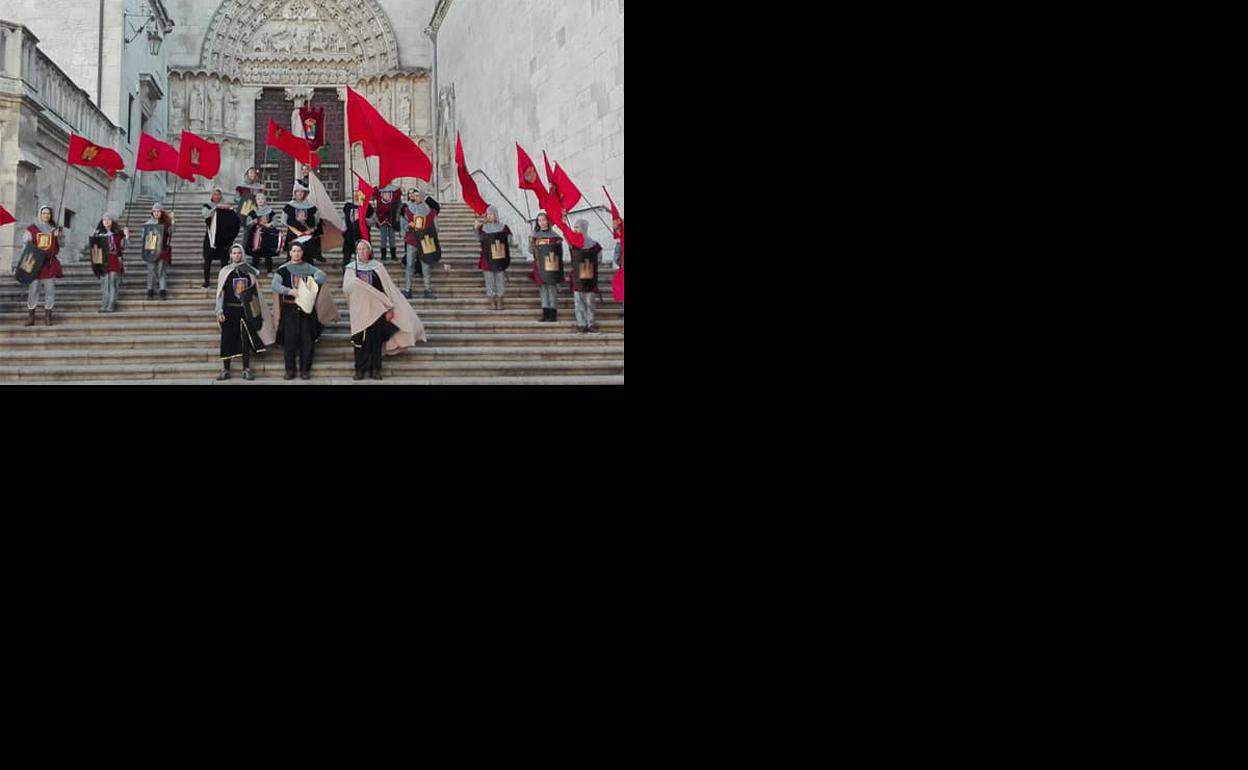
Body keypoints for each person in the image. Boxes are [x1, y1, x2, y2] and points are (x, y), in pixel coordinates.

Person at [342, 240, 426, 381]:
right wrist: (356, 284)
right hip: (360, 311)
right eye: (359, 249)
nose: (362, 252)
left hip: (378, 310)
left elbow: (388, 289)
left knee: (376, 342)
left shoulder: (378, 267)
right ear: (356, 252)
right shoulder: (351, 269)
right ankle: (360, 370)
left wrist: (389, 308)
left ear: (369, 251)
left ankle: (376, 369)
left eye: (364, 249)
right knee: (360, 342)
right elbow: (347, 288)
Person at [214, 244, 275, 381]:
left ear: (242, 254)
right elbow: (220, 293)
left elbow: (254, 293)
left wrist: (255, 312)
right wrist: (219, 311)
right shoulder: (224, 271)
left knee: (245, 340)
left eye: (239, 253)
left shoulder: (248, 271)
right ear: (230, 255)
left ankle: (246, 369)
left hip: (244, 310)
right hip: (229, 311)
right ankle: (225, 369)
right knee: (227, 339)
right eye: (234, 253)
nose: (237, 255)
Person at [271, 242, 331, 380]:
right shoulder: (283, 270)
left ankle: (305, 370)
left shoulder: (308, 268)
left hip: (306, 310)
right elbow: (275, 285)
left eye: (299, 251)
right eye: (294, 251)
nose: (296, 253)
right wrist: (288, 291)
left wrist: (314, 282)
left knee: (307, 340)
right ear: (290, 253)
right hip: (289, 309)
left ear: (302, 253)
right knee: (290, 341)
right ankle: (289, 370)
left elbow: (322, 276)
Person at [18, 206, 64, 326]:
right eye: (44, 213)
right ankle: (31, 317)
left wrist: (58, 236)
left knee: (50, 291)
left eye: (48, 213)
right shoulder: (32, 229)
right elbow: (25, 245)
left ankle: (48, 317)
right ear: (40, 214)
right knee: (33, 290)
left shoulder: (55, 229)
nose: (46, 215)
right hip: (35, 264)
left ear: (51, 215)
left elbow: (62, 244)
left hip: (49, 264)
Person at [402, 186, 442, 300]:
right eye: (415, 196)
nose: (416, 197)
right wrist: (408, 226)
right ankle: (408, 290)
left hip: (426, 241)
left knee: (426, 265)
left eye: (418, 195)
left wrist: (428, 231)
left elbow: (436, 229)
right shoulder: (408, 210)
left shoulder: (431, 211)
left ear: (423, 196)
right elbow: (403, 227)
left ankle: (427, 290)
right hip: (412, 241)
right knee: (410, 265)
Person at [569, 218, 603, 334]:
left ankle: (590, 323)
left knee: (590, 302)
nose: (575, 230)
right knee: (578, 302)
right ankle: (581, 324)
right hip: (577, 277)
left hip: (590, 277)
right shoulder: (573, 244)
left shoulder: (595, 245)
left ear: (584, 228)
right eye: (575, 227)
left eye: (577, 227)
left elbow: (599, 259)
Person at [202, 187, 241, 288]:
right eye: (215, 194)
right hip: (211, 238)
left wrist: (231, 237)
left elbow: (235, 221)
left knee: (224, 261)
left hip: (223, 240)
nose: (217, 196)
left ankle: (224, 281)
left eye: (219, 194)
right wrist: (216, 207)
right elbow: (206, 215)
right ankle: (206, 281)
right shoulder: (207, 206)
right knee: (207, 260)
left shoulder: (226, 207)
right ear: (212, 196)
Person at [529, 212, 564, 323]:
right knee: (543, 290)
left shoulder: (555, 236)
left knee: (552, 290)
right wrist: (531, 242)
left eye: (543, 220)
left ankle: (553, 314)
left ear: (548, 221)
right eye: (539, 221)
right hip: (540, 266)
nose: (542, 222)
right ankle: (545, 314)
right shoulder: (535, 236)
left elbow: (559, 252)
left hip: (551, 265)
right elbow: (531, 251)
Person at [475, 206, 511, 311]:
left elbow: (509, 240)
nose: (489, 216)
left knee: (500, 280)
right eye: (488, 214)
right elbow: (479, 239)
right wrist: (476, 228)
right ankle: (491, 300)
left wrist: (507, 238)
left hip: (500, 257)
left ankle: (499, 300)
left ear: (496, 215)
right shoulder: (483, 228)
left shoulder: (503, 227)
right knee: (489, 280)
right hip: (487, 257)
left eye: (491, 214)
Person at [91, 214, 128, 313]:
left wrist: (126, 235)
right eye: (104, 220)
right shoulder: (98, 234)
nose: (106, 222)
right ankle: (104, 303)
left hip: (114, 260)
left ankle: (111, 304)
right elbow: (94, 248)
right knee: (104, 284)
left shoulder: (118, 233)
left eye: (108, 220)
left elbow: (125, 246)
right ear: (102, 222)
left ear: (112, 221)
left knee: (113, 283)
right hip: (103, 261)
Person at [283, 180, 322, 265]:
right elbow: (284, 221)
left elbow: (317, 220)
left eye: (302, 191)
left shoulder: (311, 206)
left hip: (307, 235)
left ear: (305, 193)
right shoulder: (289, 206)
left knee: (308, 256)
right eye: (298, 191)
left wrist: (311, 229)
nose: (300, 193)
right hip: (293, 234)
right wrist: (296, 232)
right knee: (292, 257)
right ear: (295, 193)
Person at [143, 202, 175, 301]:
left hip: (162, 250)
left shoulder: (166, 223)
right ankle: (150, 290)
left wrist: (172, 221)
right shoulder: (148, 223)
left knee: (161, 270)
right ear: (152, 212)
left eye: (158, 211)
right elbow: (144, 237)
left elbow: (171, 232)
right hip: (151, 250)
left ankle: (162, 290)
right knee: (151, 270)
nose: (156, 213)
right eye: (154, 211)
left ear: (161, 212)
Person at [342, 188, 373, 270]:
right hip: (349, 236)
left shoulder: (367, 206)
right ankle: (346, 274)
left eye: (358, 192)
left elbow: (372, 221)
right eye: (355, 191)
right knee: (346, 258)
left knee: (363, 258)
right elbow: (344, 219)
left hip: (362, 236)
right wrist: (343, 228)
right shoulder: (348, 206)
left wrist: (363, 219)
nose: (356, 194)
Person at [372, 183, 400, 262]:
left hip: (391, 219)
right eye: (385, 194)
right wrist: (377, 186)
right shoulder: (379, 192)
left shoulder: (393, 193)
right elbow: (373, 192)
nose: (386, 195)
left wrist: (395, 187)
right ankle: (383, 255)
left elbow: (398, 193)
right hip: (382, 219)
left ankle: (393, 255)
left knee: (392, 238)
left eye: (388, 194)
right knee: (383, 238)